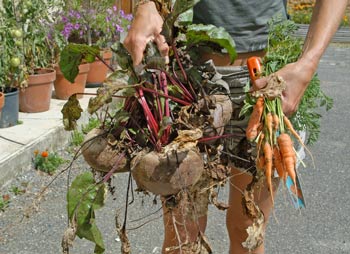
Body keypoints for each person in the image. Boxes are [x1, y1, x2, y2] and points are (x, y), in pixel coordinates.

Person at [124, 1, 348, 253]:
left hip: (265, 80)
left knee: (248, 230)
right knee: (182, 234)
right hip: (189, 81)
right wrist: (145, 5)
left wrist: (308, 62)